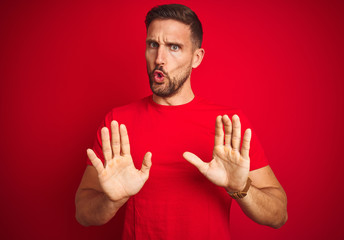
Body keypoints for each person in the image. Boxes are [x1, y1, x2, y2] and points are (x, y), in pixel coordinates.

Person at [75, 4, 287, 239]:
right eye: (153, 45)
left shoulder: (229, 125)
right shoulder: (117, 122)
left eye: (173, 47)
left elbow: (278, 216)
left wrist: (240, 188)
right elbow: (83, 214)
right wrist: (113, 200)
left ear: (196, 57)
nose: (159, 59)